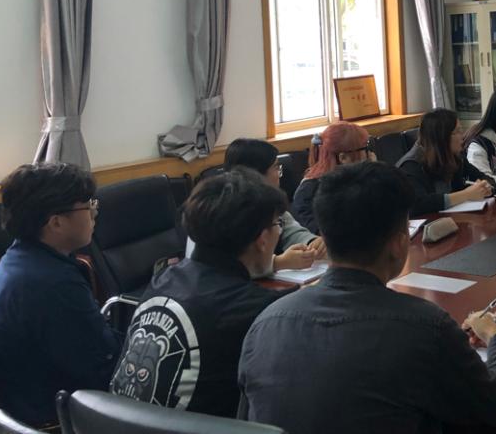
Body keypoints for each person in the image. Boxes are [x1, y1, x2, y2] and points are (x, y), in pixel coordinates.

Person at [238, 162, 496, 434]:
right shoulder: (425, 326)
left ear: (325, 234)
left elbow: (245, 421)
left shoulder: (266, 323)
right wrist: (494, 336)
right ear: (400, 243)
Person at [110, 170, 293, 417]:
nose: (279, 232)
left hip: (114, 422)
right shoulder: (259, 310)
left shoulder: (163, 279)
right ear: (261, 238)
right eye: (277, 224)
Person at [0, 163, 121, 427]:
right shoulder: (53, 284)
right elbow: (101, 366)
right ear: (56, 222)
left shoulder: (19, 258)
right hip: (51, 414)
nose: (95, 212)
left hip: (23, 396)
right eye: (88, 206)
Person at [218, 137, 325, 273]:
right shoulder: (224, 210)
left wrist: (312, 243)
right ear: (256, 174)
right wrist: (278, 263)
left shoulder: (271, 203)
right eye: (276, 168)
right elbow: (224, 265)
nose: (279, 174)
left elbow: (290, 230)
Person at [397, 108, 494, 216]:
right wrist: (466, 194)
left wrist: (486, 187)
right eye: (457, 131)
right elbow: (417, 205)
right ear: (441, 137)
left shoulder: (454, 156)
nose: (462, 136)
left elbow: (484, 178)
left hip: (452, 218)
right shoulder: (411, 165)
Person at [292, 122, 373, 235]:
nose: (370, 154)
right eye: (365, 149)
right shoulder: (308, 192)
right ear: (343, 158)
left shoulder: (359, 179)